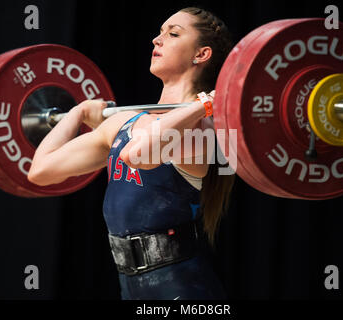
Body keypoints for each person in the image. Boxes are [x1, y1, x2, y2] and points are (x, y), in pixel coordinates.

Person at [28, 6, 235, 300]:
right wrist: (78, 112)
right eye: (159, 32)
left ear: (200, 55)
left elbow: (137, 154)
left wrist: (203, 107)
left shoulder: (203, 129)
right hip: (130, 287)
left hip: (183, 290)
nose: (156, 40)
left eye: (173, 33)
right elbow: (41, 171)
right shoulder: (123, 123)